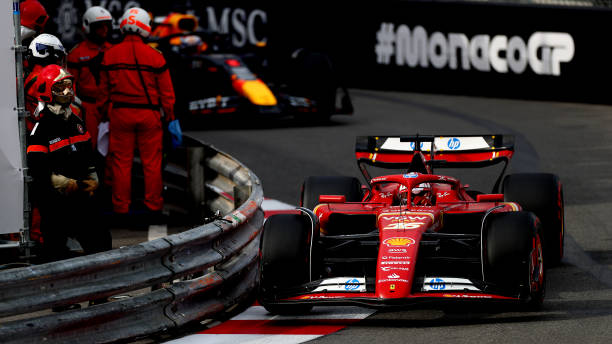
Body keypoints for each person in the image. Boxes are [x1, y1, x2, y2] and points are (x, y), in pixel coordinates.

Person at [27, 65, 111, 262]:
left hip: (82, 200)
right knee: (55, 255)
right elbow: (39, 173)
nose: (67, 91)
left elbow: (88, 158)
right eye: (60, 88)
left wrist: (94, 180)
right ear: (47, 92)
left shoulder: (76, 122)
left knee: (102, 244)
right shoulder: (41, 130)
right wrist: (70, 184)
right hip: (56, 206)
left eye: (68, 86)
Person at [98, 7, 176, 216]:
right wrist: (170, 118)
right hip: (149, 116)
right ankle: (153, 207)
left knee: (121, 163)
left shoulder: (110, 55)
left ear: (123, 26)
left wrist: (104, 115)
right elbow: (167, 94)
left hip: (120, 114)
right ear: (145, 29)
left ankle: (121, 208)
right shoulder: (155, 56)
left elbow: (103, 94)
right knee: (152, 163)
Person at [67, 6, 114, 150]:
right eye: (99, 27)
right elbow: (70, 84)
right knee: (89, 147)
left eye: (106, 26)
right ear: (88, 27)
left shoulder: (114, 51)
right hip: (88, 108)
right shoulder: (76, 53)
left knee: (114, 150)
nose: (104, 30)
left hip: (111, 107)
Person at [24, 33, 68, 132]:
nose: (60, 61)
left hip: (32, 130)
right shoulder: (49, 80)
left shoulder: (28, 76)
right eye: (58, 57)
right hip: (49, 135)